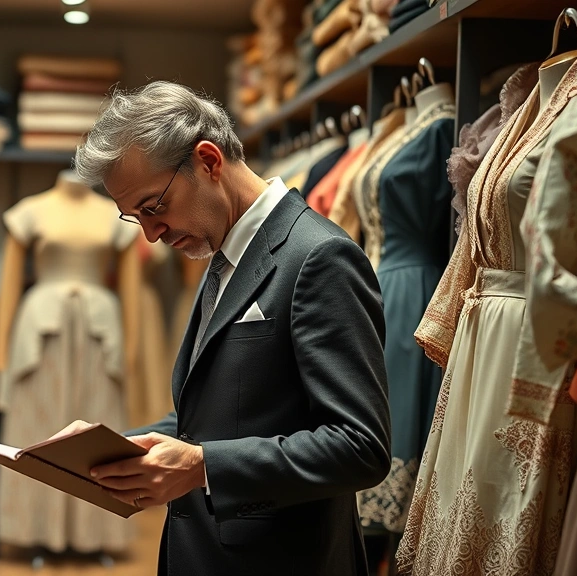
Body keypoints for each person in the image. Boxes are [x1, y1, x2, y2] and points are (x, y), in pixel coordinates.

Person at [58, 81, 392, 575]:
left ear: (209, 162)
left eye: (153, 208)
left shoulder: (319, 257)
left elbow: (360, 446)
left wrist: (203, 466)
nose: (151, 233)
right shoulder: (222, 251)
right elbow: (223, 416)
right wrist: (113, 448)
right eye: (135, 218)